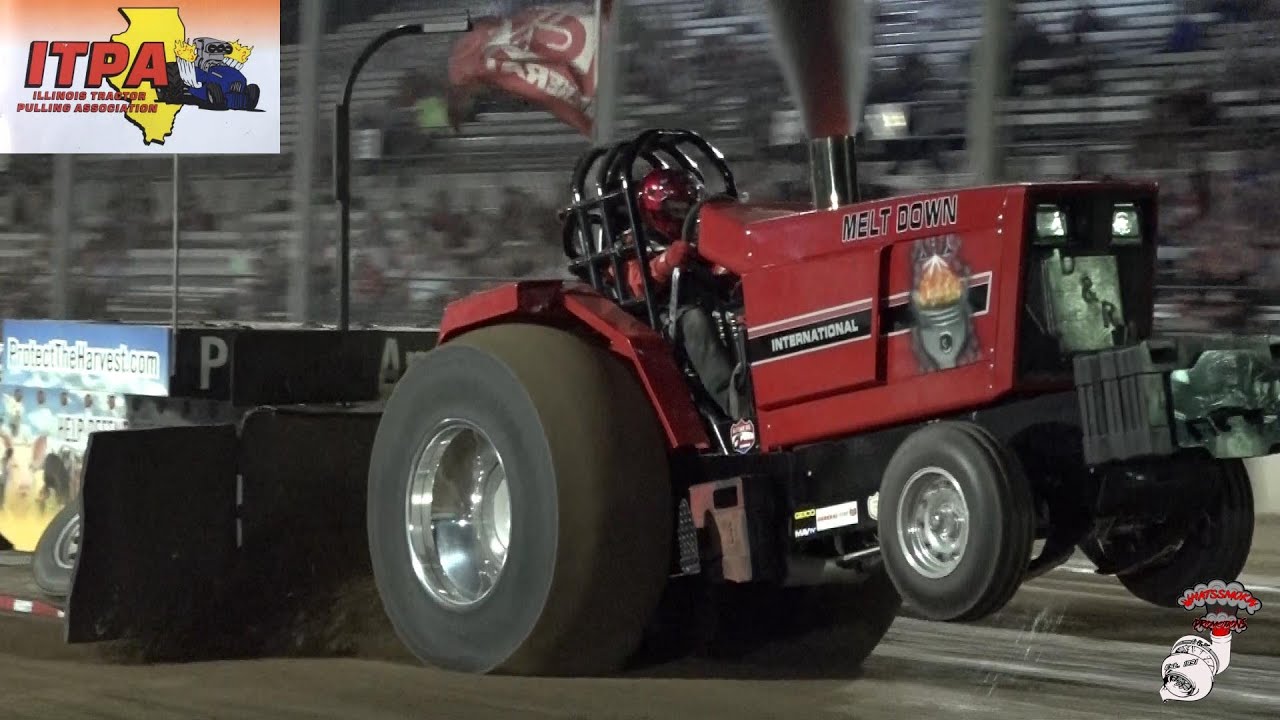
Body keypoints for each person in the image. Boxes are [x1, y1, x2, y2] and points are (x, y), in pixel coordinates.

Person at [622, 168, 738, 418]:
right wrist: (666, 262)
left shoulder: (699, 235)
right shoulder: (634, 241)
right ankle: (737, 405)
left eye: (689, 205)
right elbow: (636, 284)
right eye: (676, 208)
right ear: (656, 211)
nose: (685, 214)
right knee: (695, 320)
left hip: (709, 300)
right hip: (665, 317)